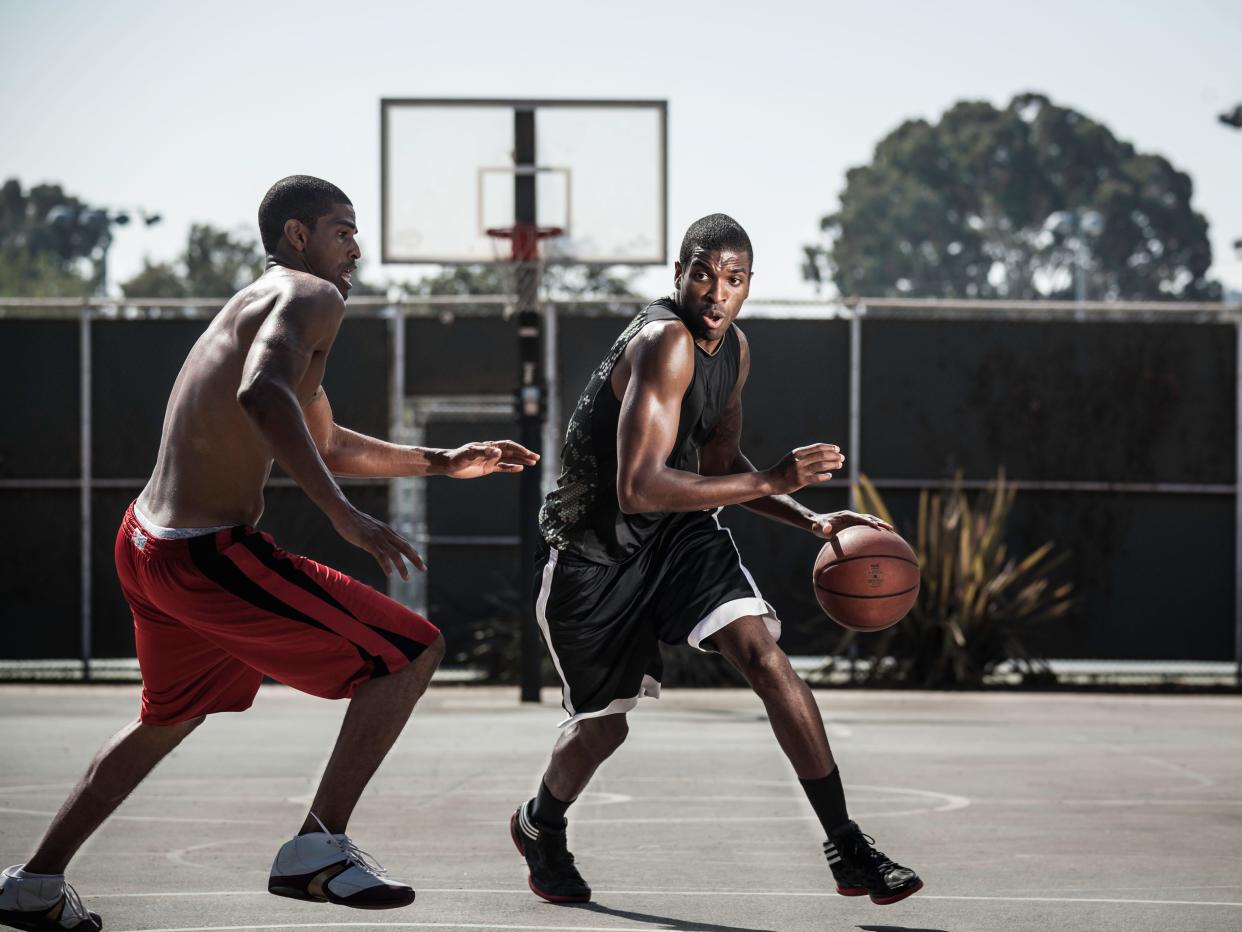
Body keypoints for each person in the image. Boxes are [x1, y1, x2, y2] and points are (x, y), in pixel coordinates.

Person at [0, 175, 538, 932]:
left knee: (166, 718)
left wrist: (442, 459)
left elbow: (323, 439)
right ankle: (318, 848)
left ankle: (34, 881)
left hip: (146, 541)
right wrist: (343, 516)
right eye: (343, 230)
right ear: (297, 235)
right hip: (203, 556)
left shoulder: (261, 303)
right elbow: (262, 395)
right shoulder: (313, 297)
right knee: (411, 652)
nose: (357, 246)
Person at [509, 214, 921, 908]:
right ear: (678, 275)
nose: (715, 291)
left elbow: (722, 463)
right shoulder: (664, 341)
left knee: (764, 656)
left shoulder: (734, 349)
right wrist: (774, 482)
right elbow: (636, 485)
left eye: (732, 279)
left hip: (678, 536)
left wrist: (810, 518)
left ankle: (847, 845)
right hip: (594, 555)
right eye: (702, 273)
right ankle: (540, 824)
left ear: (748, 287)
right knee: (604, 727)